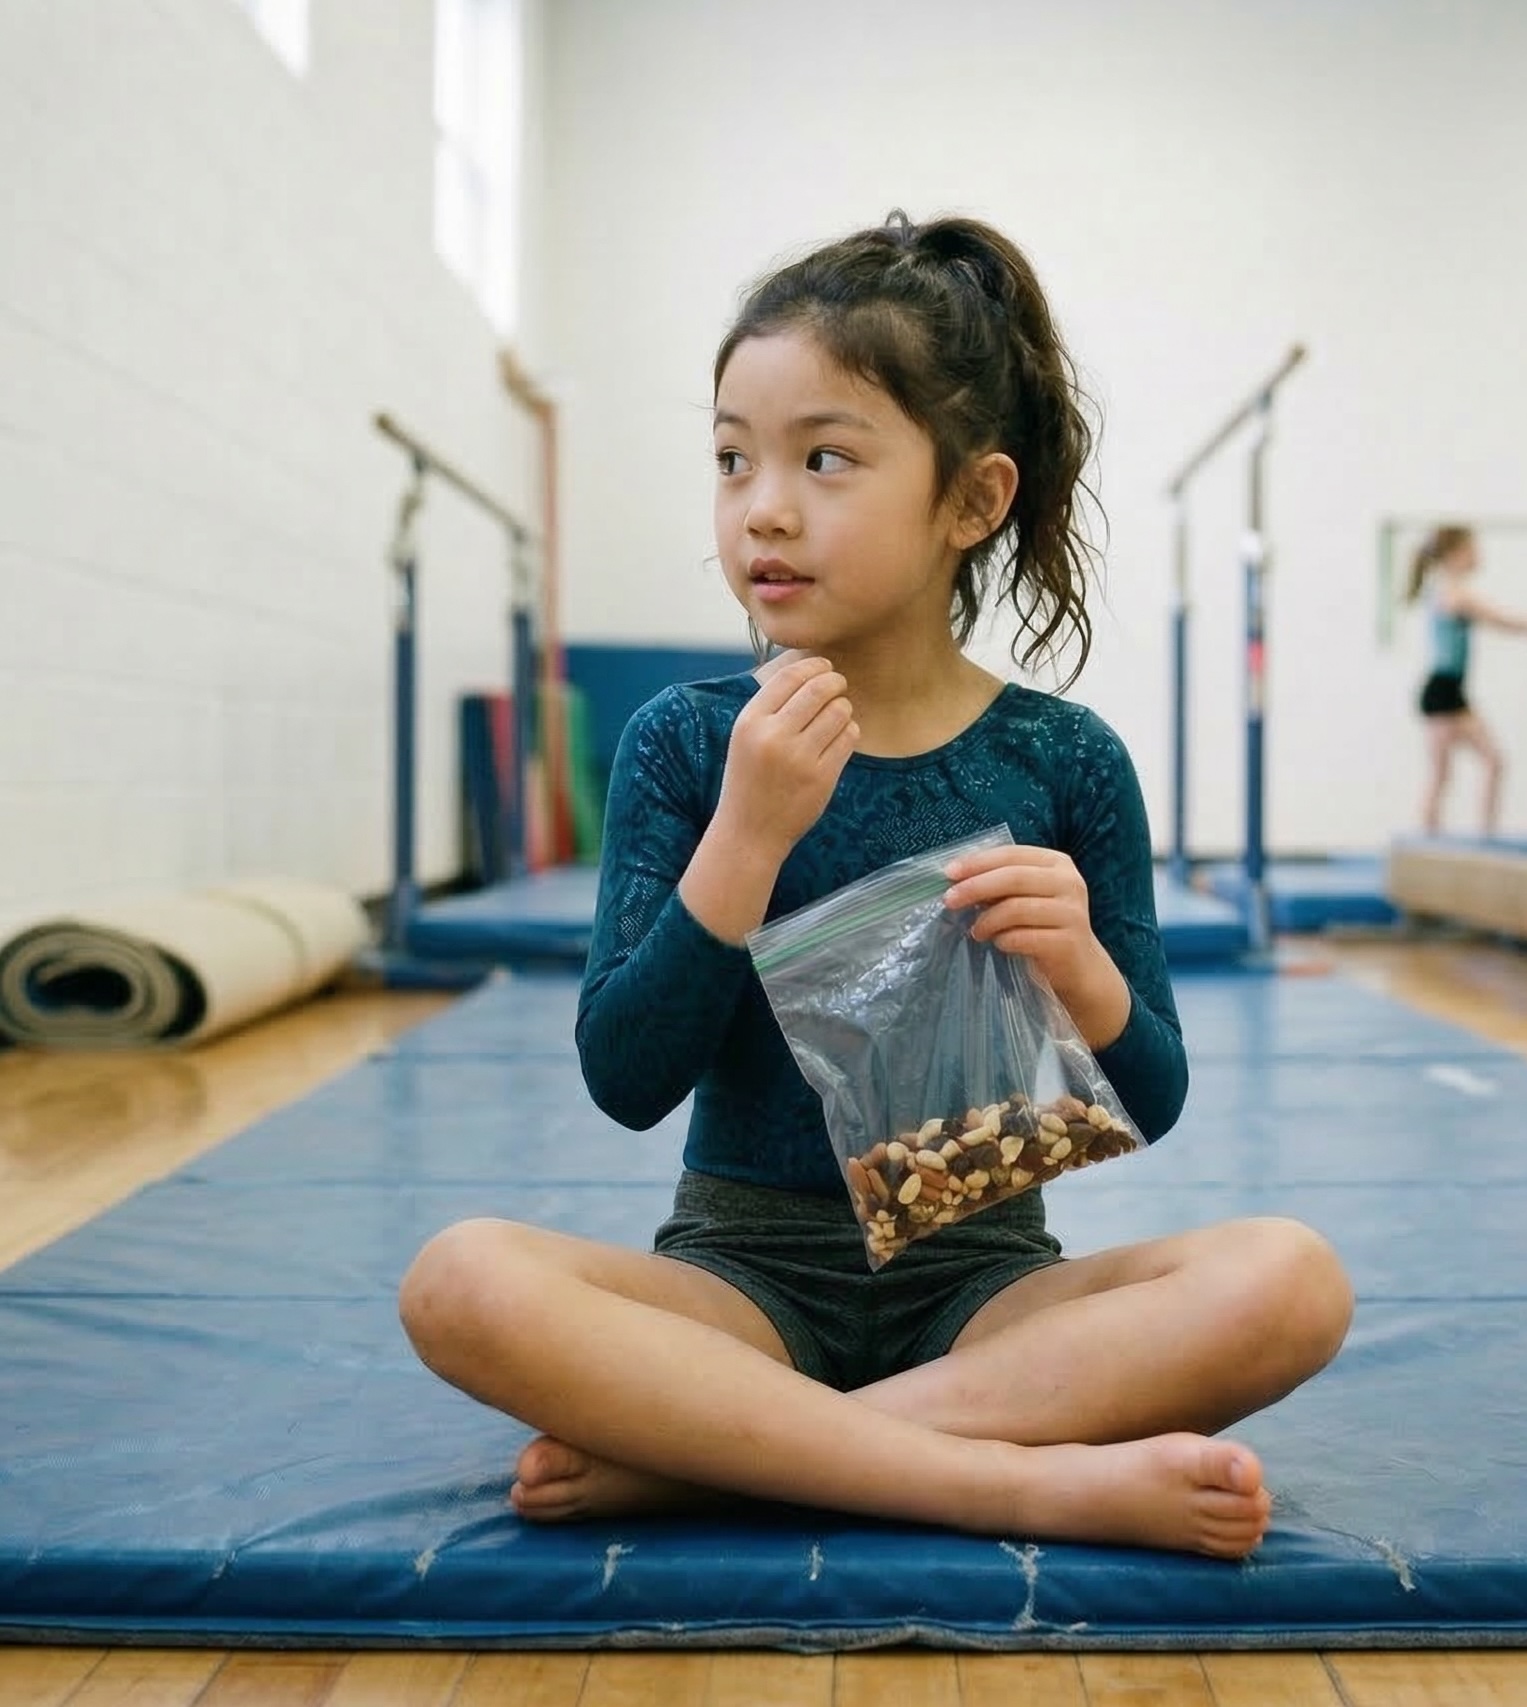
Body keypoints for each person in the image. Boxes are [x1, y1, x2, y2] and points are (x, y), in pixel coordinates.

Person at [399, 212, 1354, 1560]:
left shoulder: (1059, 758)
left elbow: (1155, 1094)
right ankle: (1010, 1480)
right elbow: (624, 1078)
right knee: (461, 1278)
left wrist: (1079, 966)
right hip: (737, 1284)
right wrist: (743, 838)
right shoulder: (685, 740)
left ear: (969, 500)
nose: (761, 506)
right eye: (730, 459)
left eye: (823, 458)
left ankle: (723, 1457)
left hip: (982, 1293)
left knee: (1288, 1277)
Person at [1407, 524, 1527, 836]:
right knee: (1455, 772)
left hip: (1449, 689)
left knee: (1473, 767)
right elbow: (1504, 621)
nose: (1478, 555)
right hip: (1442, 690)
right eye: (1472, 549)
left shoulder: (1444, 590)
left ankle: (1480, 837)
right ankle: (1437, 842)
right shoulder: (1453, 594)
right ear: (1455, 555)